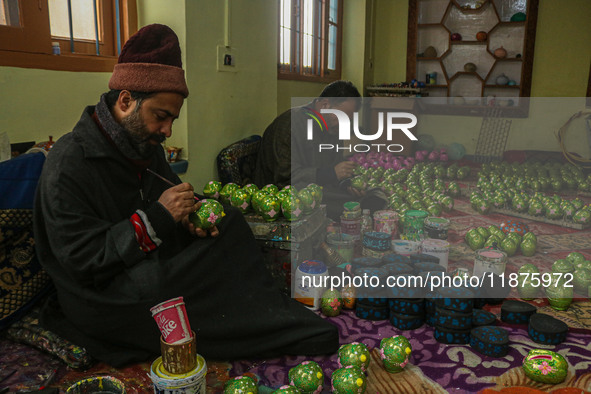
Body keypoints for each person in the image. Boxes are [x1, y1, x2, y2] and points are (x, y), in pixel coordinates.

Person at [33, 24, 338, 367]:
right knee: (161, 286)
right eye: (160, 117)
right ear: (125, 100)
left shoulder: (144, 146)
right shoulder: (69, 163)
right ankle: (256, 325)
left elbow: (166, 203)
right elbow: (81, 260)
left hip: (145, 259)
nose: (167, 131)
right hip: (102, 292)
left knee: (230, 221)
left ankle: (262, 314)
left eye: (172, 120)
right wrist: (158, 219)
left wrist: (189, 220)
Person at [255, 81, 387, 220]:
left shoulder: (333, 128)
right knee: (345, 204)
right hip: (286, 195)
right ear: (325, 105)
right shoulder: (289, 125)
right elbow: (285, 179)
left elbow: (333, 167)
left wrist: (346, 184)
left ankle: (361, 207)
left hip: (318, 187)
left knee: (373, 193)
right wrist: (330, 174)